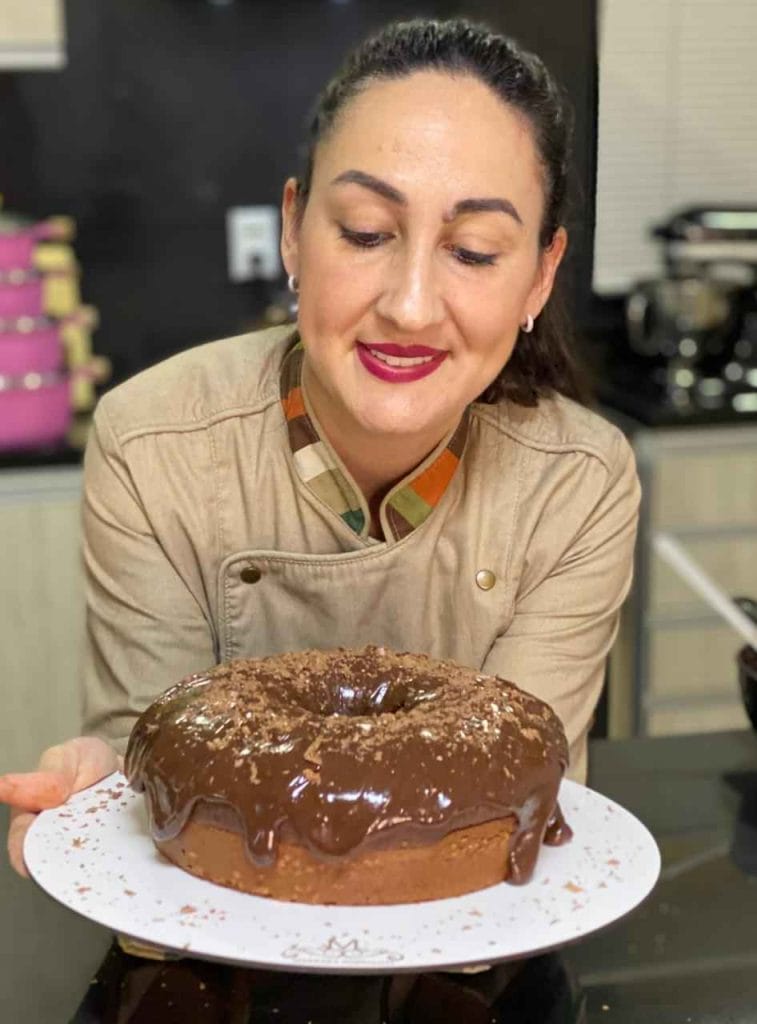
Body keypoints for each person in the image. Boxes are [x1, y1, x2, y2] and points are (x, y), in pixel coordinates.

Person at [2, 17, 640, 878]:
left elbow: (509, 810)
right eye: (368, 233)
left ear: (538, 273)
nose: (410, 306)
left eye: (474, 250)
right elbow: (155, 772)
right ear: (296, 230)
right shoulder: (156, 444)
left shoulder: (579, 486)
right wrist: (108, 786)